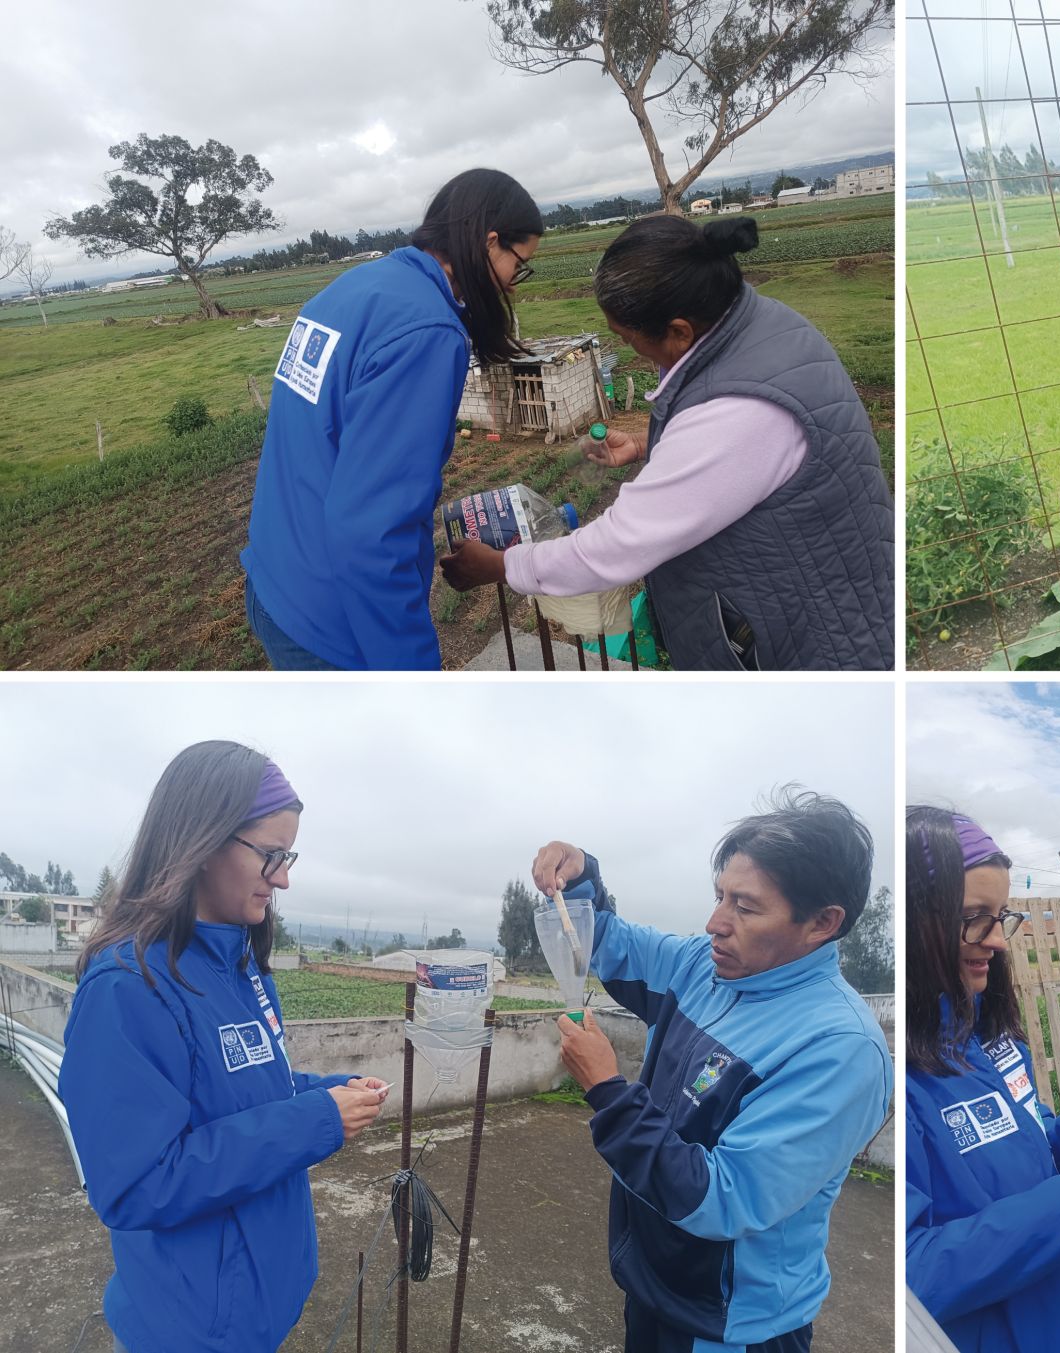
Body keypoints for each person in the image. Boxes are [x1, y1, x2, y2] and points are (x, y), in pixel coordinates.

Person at [439, 214, 895, 671]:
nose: (629, 346)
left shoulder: (742, 410)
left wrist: (501, 567)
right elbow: (742, 459)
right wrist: (644, 445)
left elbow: (620, 544)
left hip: (806, 652)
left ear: (679, 331)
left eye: (626, 336)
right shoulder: (757, 323)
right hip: (808, 607)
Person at [529, 788, 892, 1353]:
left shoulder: (838, 1048)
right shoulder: (705, 965)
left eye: (745, 907)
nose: (715, 922)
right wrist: (578, 880)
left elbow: (722, 1199)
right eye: (720, 896)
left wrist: (608, 1091)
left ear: (822, 922)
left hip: (728, 1322)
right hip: (655, 1283)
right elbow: (608, 946)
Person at [58, 741, 386, 1353]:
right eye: (270, 856)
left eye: (288, 856)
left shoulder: (242, 963)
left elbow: (251, 1090)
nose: (284, 878)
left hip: (259, 1312)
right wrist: (314, 1120)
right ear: (203, 844)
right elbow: (137, 1185)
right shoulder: (128, 990)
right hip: (191, 1329)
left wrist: (328, 1093)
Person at [241, 168, 543, 670]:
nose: (515, 281)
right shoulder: (427, 331)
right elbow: (373, 529)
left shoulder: (354, 288)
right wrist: (411, 670)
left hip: (275, 579)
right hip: (335, 622)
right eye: (520, 264)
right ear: (491, 243)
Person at [904, 806, 1060, 1352]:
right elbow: (912, 1279)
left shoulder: (987, 1034)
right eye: (975, 916)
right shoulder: (900, 1080)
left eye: (1001, 916)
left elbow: (1020, 1149)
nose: (998, 940)